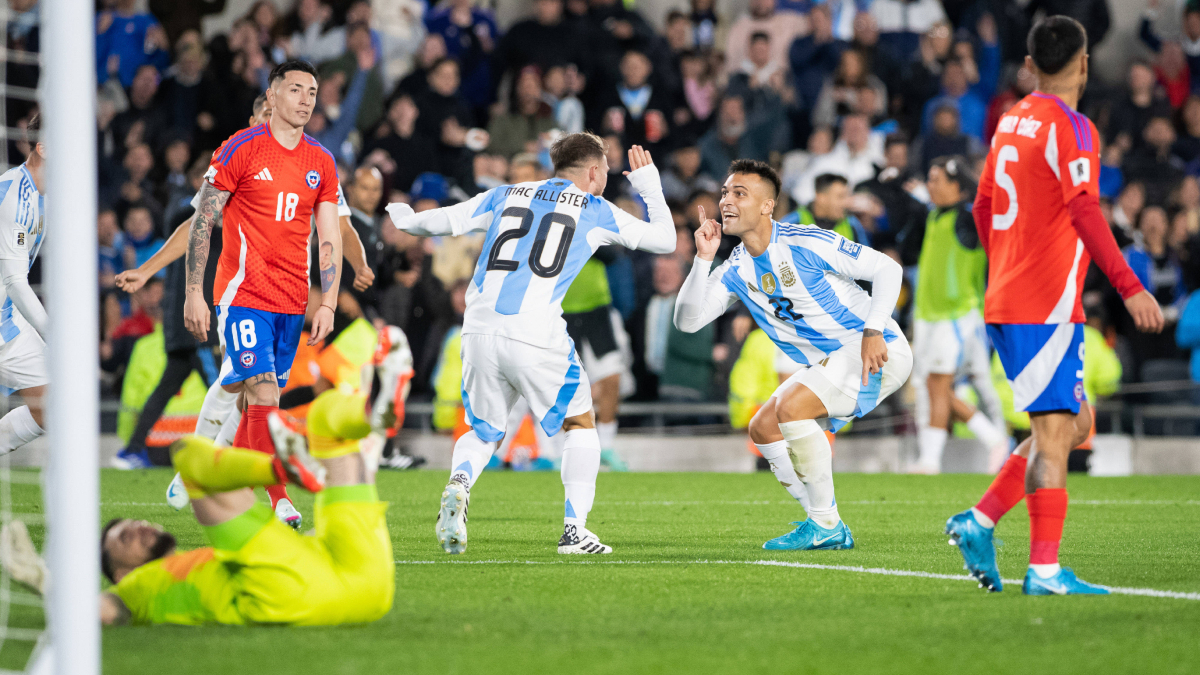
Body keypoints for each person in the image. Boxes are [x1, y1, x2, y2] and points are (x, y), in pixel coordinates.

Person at [945, 16, 1164, 596]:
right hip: (1041, 304)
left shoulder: (1011, 119)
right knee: (1056, 431)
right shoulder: (1074, 128)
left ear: (1031, 62)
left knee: (1073, 424)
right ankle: (1043, 570)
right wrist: (1130, 285)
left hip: (1015, 296)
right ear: (1085, 64)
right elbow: (1086, 209)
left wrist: (1007, 263)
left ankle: (980, 520)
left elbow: (982, 205)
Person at [385, 135, 675, 555]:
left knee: (483, 430)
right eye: (606, 173)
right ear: (593, 172)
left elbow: (440, 221)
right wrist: (649, 186)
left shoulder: (506, 194)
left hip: (479, 328)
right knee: (580, 424)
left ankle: (460, 484)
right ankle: (574, 531)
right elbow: (666, 241)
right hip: (535, 330)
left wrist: (405, 217)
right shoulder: (595, 209)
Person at [674, 159, 911, 551]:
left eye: (739, 193)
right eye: (724, 193)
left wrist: (873, 329)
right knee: (762, 428)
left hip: (876, 348)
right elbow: (688, 321)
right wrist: (702, 259)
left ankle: (825, 523)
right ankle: (818, 516)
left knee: (790, 408)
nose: (726, 202)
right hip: (832, 360)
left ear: (767, 206)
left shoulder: (805, 241)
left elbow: (888, 269)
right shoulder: (735, 267)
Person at [182, 60, 343, 531]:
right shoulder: (240, 149)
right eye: (295, 89)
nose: (306, 99)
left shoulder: (322, 162)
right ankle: (278, 500)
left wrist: (328, 301)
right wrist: (194, 291)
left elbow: (328, 238)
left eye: (312, 91)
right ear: (271, 96)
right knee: (263, 392)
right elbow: (202, 222)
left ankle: (217, 477)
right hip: (242, 294)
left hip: (293, 302)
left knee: (259, 405)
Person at [85, 386, 394, 626]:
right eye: (126, 537)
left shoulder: (201, 562)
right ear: (122, 574)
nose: (139, 528)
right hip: (286, 595)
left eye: (136, 523)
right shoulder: (136, 589)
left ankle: (372, 410)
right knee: (185, 450)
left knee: (324, 415)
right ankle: (281, 469)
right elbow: (102, 611)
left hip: (369, 585)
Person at [899, 156, 1007, 475]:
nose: (929, 186)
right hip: (927, 314)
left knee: (942, 382)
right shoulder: (934, 217)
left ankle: (933, 459)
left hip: (958, 314)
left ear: (957, 186)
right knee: (931, 385)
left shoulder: (969, 217)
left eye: (936, 180)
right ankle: (993, 441)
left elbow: (986, 210)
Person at [0, 113, 47, 458]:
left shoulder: (42, 193)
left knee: (56, 404)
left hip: (8, 314)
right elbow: (15, 280)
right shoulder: (16, 195)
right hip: (4, 320)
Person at [779, 173, 869, 244]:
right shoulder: (792, 223)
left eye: (848, 196)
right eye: (840, 197)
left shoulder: (853, 225)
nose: (846, 202)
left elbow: (865, 263)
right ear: (821, 198)